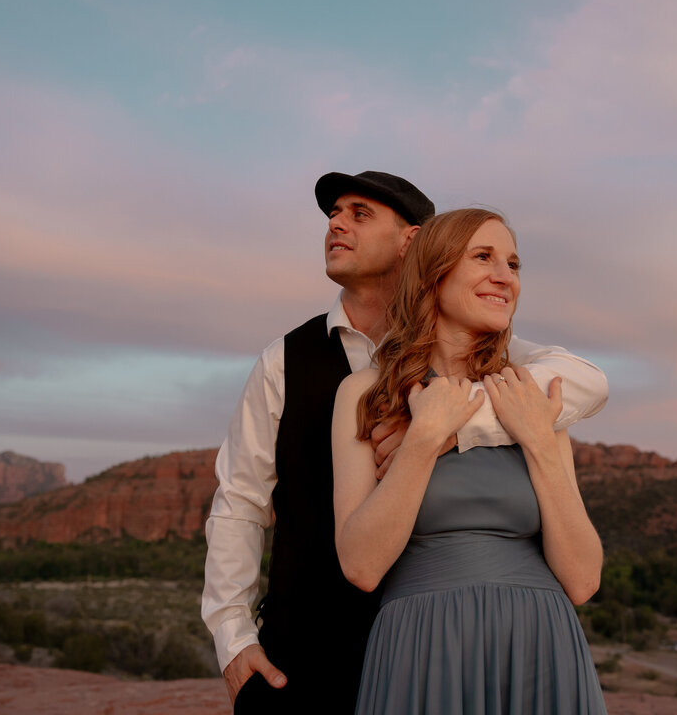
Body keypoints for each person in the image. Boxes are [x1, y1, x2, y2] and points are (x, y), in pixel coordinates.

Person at [202, 173, 608, 714]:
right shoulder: (292, 364)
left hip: (531, 645)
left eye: (360, 213)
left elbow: (589, 382)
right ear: (437, 270)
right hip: (337, 645)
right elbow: (240, 501)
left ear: (414, 242)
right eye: (334, 214)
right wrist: (233, 637)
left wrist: (471, 425)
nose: (336, 224)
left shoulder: (520, 378)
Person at [333, 207, 608, 714]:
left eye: (514, 263)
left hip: (539, 646)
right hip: (423, 647)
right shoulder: (365, 393)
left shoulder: (529, 396)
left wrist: (539, 441)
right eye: (483, 257)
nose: (505, 277)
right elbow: (361, 566)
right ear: (434, 274)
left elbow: (583, 580)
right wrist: (423, 439)